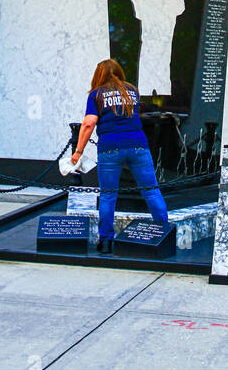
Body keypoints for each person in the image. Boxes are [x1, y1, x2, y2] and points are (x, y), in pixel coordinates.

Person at [72, 58, 169, 254]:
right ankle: (164, 234)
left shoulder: (96, 94)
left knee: (108, 195)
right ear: (118, 71)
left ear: (98, 75)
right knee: (151, 191)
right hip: (137, 145)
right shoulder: (131, 90)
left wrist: (78, 151)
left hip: (110, 148)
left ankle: (106, 242)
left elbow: (89, 123)